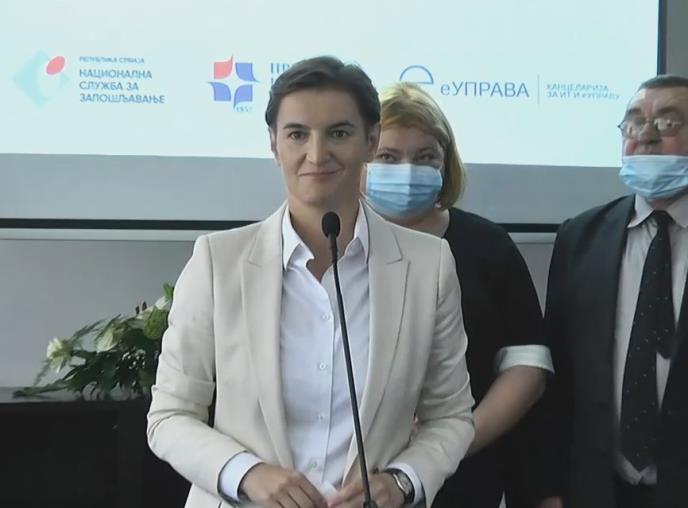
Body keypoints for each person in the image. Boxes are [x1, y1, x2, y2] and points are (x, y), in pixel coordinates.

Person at [147, 56, 475, 508]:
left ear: (371, 140)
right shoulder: (218, 262)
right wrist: (248, 474)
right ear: (274, 145)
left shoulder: (428, 265)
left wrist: (401, 481)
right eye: (297, 134)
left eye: (338, 133)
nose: (317, 155)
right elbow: (169, 416)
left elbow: (452, 417)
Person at [360, 82, 552, 508]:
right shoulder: (333, 242)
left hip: (464, 475)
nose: (407, 170)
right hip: (351, 478)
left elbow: (527, 367)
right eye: (388, 157)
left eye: (425, 157)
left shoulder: (487, 245)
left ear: (446, 163)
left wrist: (448, 448)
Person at [534, 74, 688, 508]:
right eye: (634, 123)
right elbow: (557, 375)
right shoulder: (580, 237)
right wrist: (547, 488)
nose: (646, 136)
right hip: (596, 490)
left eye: (668, 123)